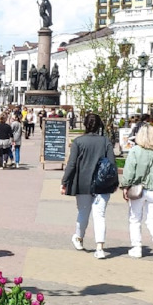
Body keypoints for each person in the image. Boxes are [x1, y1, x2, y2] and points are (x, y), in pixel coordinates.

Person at [60, 111, 117, 259]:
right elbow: (112, 164)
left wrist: (65, 182)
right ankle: (100, 248)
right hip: (102, 183)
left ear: (85, 124)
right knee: (100, 216)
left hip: (83, 183)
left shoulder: (78, 142)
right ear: (99, 126)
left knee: (83, 212)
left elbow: (71, 164)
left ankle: (79, 238)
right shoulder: (105, 141)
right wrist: (115, 182)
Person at [120, 122, 153, 261]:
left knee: (135, 218)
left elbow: (129, 171)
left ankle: (137, 248)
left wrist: (125, 186)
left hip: (138, 188)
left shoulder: (136, 151)